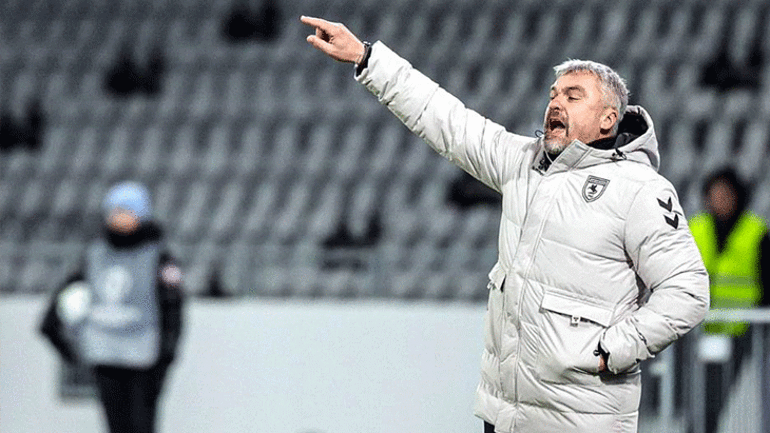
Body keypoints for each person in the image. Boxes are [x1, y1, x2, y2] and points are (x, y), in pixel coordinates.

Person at [300, 16, 710, 433]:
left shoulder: (639, 188)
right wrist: (368, 58)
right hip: (505, 414)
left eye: (573, 96)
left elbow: (688, 291)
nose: (556, 103)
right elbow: (446, 119)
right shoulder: (523, 163)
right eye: (553, 94)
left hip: (582, 417)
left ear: (608, 119)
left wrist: (613, 350)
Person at [40, 181, 184, 433]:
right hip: (105, 354)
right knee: (116, 426)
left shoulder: (158, 257)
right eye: (115, 211)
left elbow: (172, 309)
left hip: (144, 357)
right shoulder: (95, 254)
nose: (119, 218)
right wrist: (67, 346)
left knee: (141, 425)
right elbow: (67, 297)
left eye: (126, 211)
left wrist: (166, 356)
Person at [688, 167, 769, 433]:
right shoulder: (694, 228)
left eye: (726, 194)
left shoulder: (756, 232)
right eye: (715, 194)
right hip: (699, 330)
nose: (720, 200)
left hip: (743, 331)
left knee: (726, 395)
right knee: (697, 396)